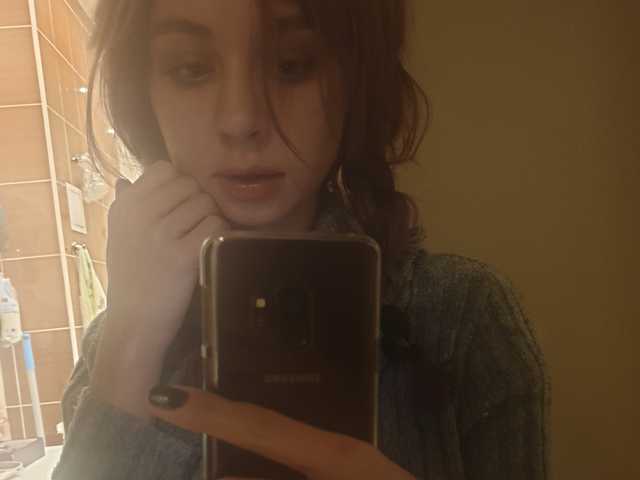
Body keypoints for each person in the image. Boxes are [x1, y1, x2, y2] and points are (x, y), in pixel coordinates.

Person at [52, 0, 550, 479]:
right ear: (143, 91)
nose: (241, 121)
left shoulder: (463, 319)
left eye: (292, 65)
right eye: (191, 69)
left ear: (356, 79)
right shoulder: (113, 341)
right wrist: (127, 350)